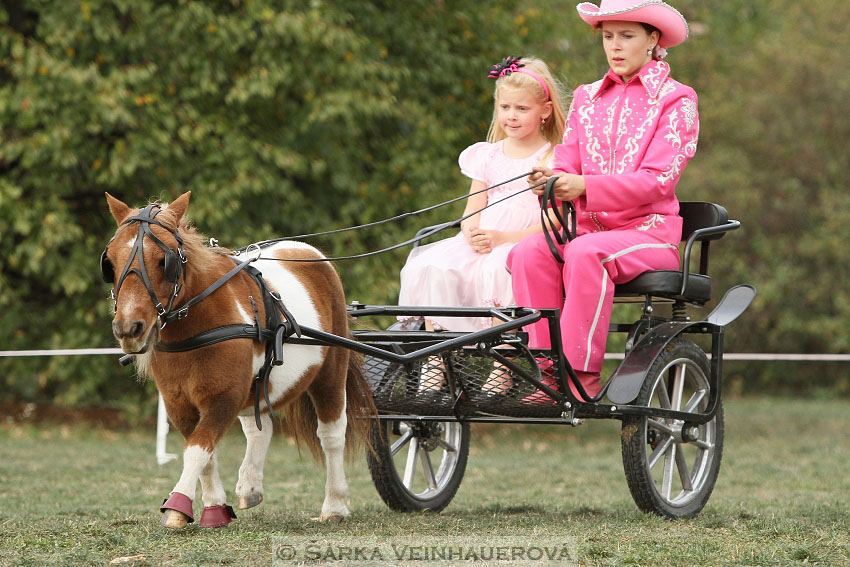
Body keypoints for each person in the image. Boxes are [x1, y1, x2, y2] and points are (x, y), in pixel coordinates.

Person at [508, 0, 699, 403]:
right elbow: (567, 162)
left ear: (652, 39)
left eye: (627, 36)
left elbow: (657, 181)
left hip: (649, 234)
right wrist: (550, 181)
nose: (615, 45)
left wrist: (584, 187)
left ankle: (580, 375)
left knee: (584, 252)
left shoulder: (676, 100)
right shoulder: (586, 97)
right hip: (588, 231)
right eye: (609, 36)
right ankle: (545, 369)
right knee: (528, 253)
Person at [397, 56, 567, 398]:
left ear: (545, 111)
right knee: (434, 264)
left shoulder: (554, 157)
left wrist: (503, 238)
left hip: (522, 242)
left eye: (522, 108)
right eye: (505, 107)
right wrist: (471, 231)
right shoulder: (487, 155)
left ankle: (503, 360)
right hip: (483, 239)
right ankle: (438, 355)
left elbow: (553, 222)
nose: (511, 116)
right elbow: (474, 207)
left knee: (497, 268)